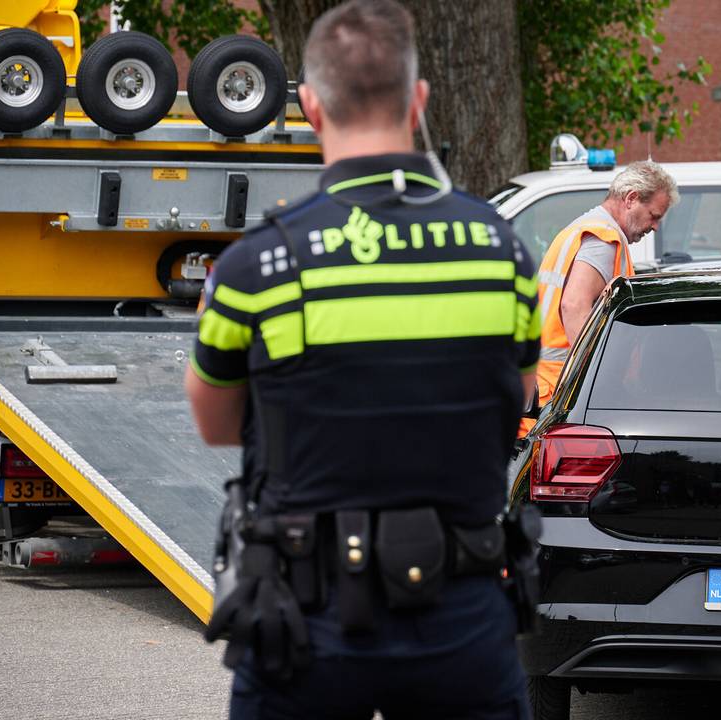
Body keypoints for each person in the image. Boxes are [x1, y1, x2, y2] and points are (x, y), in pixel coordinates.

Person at [184, 2, 539, 717]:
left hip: (304, 621)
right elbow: (515, 402)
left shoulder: (257, 267)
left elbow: (218, 426)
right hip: (462, 613)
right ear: (419, 101)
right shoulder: (503, 253)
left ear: (311, 107)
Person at [522, 161, 678, 434]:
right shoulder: (603, 238)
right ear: (631, 199)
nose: (654, 227)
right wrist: (599, 383)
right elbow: (574, 307)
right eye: (653, 215)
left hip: (543, 389)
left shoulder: (580, 229)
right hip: (561, 397)